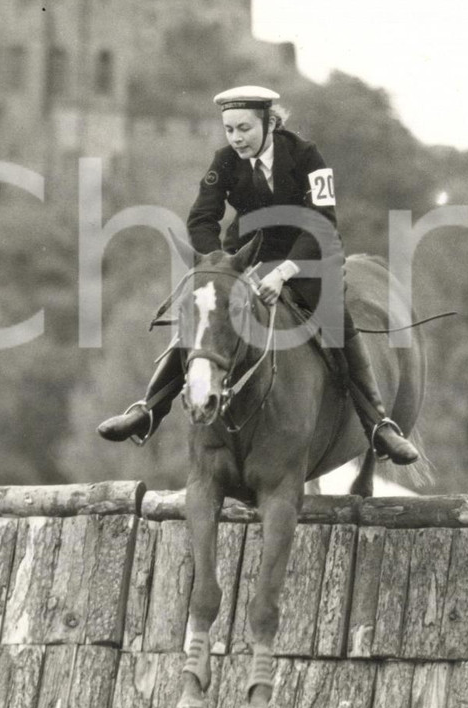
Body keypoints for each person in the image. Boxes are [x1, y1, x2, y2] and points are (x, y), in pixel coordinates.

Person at [97, 85, 419, 464]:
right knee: (205, 315)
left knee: (335, 318)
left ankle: (379, 425)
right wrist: (218, 264)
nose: (236, 138)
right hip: (246, 257)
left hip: (308, 256)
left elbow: (322, 222)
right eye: (229, 130)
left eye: (244, 128)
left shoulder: (307, 156)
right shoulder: (224, 161)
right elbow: (201, 218)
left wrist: (282, 273)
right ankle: (148, 409)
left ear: (269, 124)